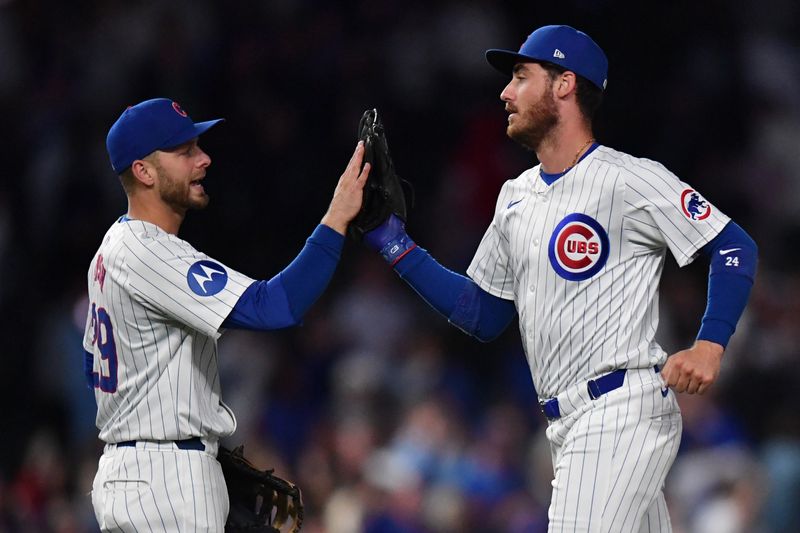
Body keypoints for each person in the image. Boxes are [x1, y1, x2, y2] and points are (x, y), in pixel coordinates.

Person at [362, 25, 757, 532]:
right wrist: (396, 247)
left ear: (565, 84)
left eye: (521, 77)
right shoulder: (515, 196)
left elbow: (733, 245)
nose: (505, 92)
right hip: (566, 421)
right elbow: (482, 313)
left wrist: (710, 345)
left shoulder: (627, 178)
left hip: (620, 408)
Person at [83, 97, 370, 531]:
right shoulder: (147, 251)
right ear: (143, 171)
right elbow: (274, 306)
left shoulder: (111, 250)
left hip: (141, 470)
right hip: (165, 477)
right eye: (184, 152)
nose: (204, 159)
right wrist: (336, 217)